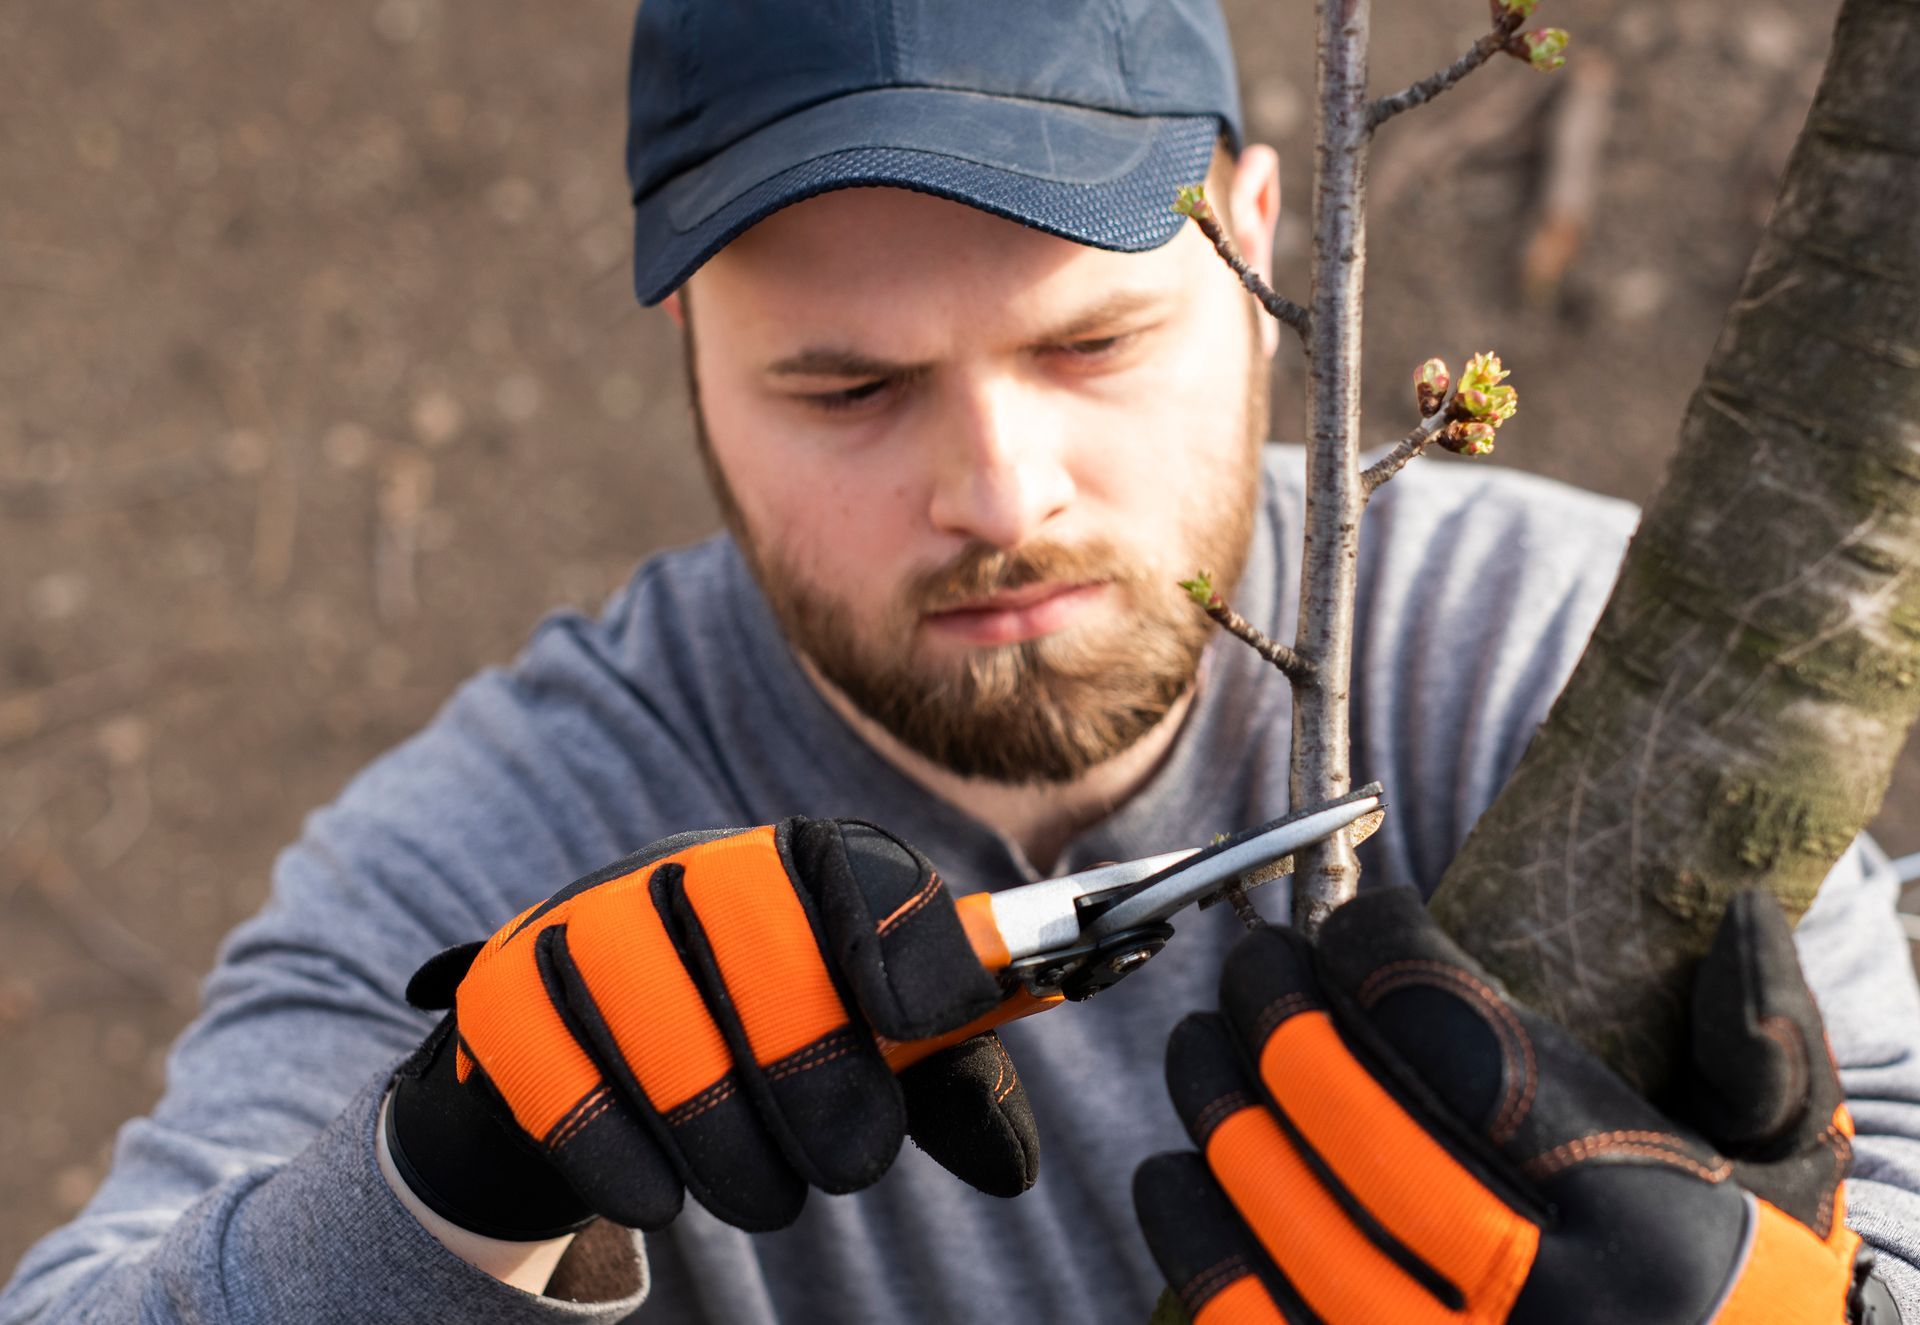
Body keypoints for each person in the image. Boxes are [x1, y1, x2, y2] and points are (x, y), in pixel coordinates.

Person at [4, 0, 1916, 1321]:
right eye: (847, 386)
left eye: (1089, 346)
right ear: (688, 357)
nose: (997, 490)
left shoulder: (1585, 685)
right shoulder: (494, 852)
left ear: (1258, 252)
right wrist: (449, 1186)